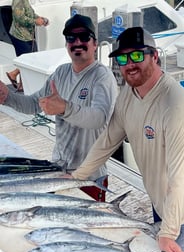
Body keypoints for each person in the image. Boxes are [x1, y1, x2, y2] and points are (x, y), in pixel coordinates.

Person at [71, 26, 184, 252]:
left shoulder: (176, 105)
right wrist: (78, 175)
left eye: (137, 55)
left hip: (183, 196)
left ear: (154, 56)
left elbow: (179, 176)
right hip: (158, 191)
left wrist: (168, 231)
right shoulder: (128, 93)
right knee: (175, 242)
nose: (129, 64)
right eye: (123, 58)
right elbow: (107, 140)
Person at [0, 14, 118, 201]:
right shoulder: (61, 73)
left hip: (89, 177)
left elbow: (99, 118)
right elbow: (33, 104)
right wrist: (7, 97)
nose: (77, 42)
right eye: (71, 38)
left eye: (84, 37)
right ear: (67, 44)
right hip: (58, 170)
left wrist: (65, 108)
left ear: (95, 44)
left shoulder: (102, 77)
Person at [7, 0, 49, 92]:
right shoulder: (18, 1)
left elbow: (30, 14)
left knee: (30, 59)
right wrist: (35, 21)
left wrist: (40, 19)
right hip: (20, 36)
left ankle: (22, 85)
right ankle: (13, 74)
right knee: (28, 60)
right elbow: (19, 18)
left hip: (27, 35)